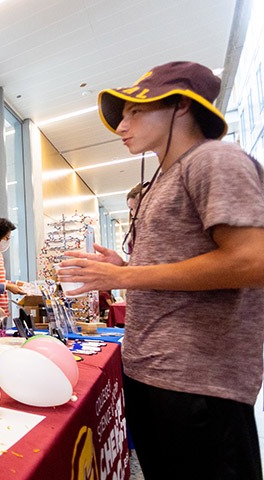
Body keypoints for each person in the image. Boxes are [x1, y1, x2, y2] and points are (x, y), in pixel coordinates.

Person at [58, 61, 264, 479]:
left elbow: (252, 259)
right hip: (154, 372)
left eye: (136, 110)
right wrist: (127, 265)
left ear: (181, 108)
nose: (122, 125)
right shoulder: (164, 179)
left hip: (198, 382)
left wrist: (124, 277)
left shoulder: (213, 160)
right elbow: (185, 267)